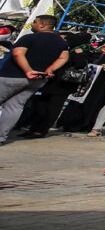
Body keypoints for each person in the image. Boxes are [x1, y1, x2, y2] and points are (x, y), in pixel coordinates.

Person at [0, 15, 69, 145]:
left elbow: (17, 53)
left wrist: (28, 70)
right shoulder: (61, 42)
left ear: (42, 25)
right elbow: (64, 58)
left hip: (13, 76)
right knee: (14, 107)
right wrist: (50, 69)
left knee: (12, 105)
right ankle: (1, 137)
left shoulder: (29, 38)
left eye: (35, 22)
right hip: (38, 79)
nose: (32, 24)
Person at [21, 31, 93, 137]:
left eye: (65, 39)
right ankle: (33, 128)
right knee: (40, 106)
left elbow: (80, 64)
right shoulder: (62, 49)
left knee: (52, 108)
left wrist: (77, 54)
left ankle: (41, 130)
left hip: (64, 84)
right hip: (50, 82)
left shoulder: (81, 51)